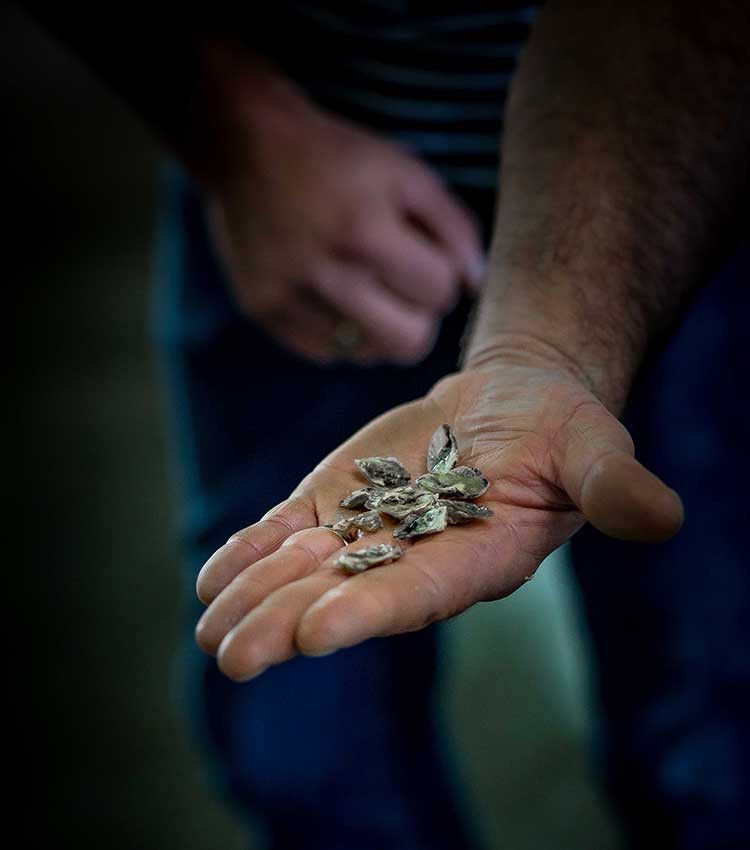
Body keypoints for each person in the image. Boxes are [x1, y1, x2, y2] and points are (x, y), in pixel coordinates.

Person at [27, 2, 750, 848]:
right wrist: (231, 127)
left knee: (710, 740)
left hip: (669, 177)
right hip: (294, 164)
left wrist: (548, 343)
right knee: (303, 747)